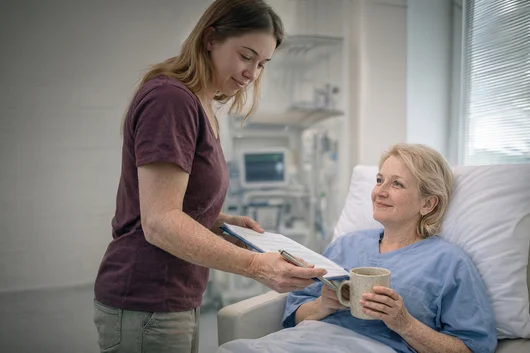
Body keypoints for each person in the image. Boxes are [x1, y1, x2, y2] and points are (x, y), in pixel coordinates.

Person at [92, 1, 327, 353]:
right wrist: (257, 266)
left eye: (262, 64)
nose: (252, 73)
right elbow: (158, 221)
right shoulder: (170, 100)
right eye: (246, 56)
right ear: (211, 39)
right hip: (146, 298)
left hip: (176, 295)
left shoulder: (200, 106)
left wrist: (219, 222)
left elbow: (172, 203)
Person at [217, 143, 497, 353]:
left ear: (428, 204)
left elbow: (472, 347)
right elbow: (296, 312)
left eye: (397, 184)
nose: (380, 191)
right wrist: (322, 305)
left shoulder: (449, 262)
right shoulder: (347, 244)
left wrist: (404, 323)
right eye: (379, 180)